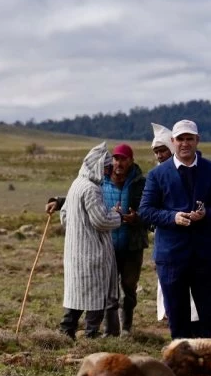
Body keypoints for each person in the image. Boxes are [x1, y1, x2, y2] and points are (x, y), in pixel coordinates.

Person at [139, 119, 211, 339]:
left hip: (205, 255)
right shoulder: (157, 175)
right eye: (180, 139)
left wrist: (206, 213)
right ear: (173, 141)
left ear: (197, 140)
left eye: (190, 138)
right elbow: (145, 210)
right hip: (171, 256)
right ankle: (181, 366)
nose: (185, 143)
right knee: (178, 318)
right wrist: (173, 217)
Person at [54, 143, 121, 339]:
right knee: (95, 297)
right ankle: (91, 335)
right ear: (98, 166)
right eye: (107, 168)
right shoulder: (92, 189)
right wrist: (117, 216)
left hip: (75, 251)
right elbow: (101, 221)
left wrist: (78, 230)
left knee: (76, 295)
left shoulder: (76, 184)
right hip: (92, 254)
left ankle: (66, 332)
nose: (109, 172)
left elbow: (64, 215)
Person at [150, 123, 201, 327]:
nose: (160, 155)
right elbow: (149, 208)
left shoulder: (193, 171)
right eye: (156, 152)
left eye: (163, 150)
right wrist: (169, 218)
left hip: (193, 244)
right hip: (167, 244)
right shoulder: (157, 175)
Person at [101, 144, 148, 336]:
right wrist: (58, 201)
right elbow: (81, 196)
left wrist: (137, 218)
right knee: (107, 287)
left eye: (124, 159)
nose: (119, 163)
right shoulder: (101, 181)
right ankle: (109, 329)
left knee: (129, 286)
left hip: (132, 244)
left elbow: (151, 208)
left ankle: (126, 327)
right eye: (116, 158)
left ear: (131, 161)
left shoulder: (141, 183)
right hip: (108, 244)